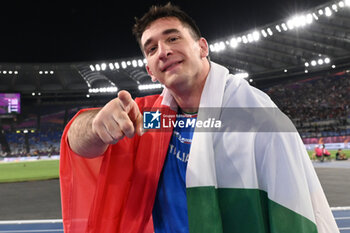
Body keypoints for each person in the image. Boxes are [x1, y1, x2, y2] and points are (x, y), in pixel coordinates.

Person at [59, 3, 339, 233]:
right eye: (151, 48)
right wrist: (97, 126)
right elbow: (75, 140)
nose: (164, 51)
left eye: (173, 38)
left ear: (202, 48)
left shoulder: (256, 118)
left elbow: (295, 213)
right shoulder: (154, 120)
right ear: (150, 71)